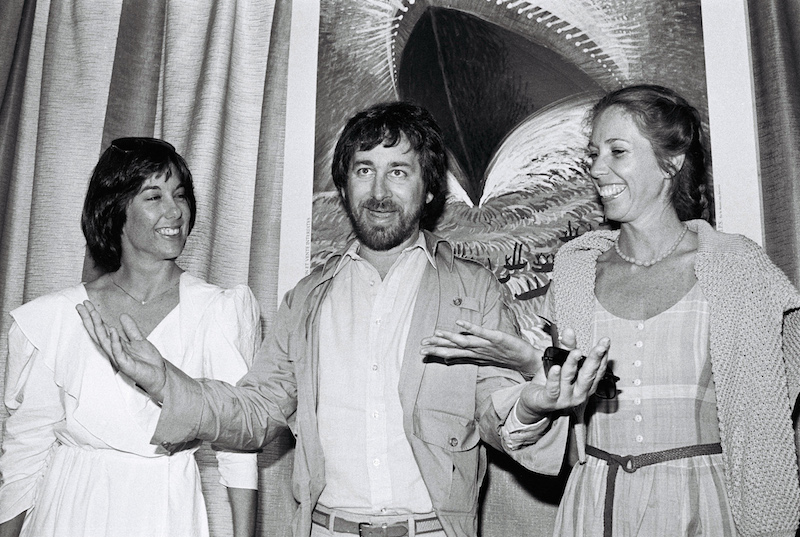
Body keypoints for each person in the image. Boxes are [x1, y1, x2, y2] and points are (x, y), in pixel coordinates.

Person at [76, 102, 609, 537]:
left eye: (398, 172)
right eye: (363, 171)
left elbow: (498, 409)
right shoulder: (306, 300)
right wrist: (164, 381)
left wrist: (534, 403)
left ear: (427, 190)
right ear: (345, 187)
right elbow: (256, 412)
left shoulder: (474, 289)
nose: (379, 191)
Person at [420, 85, 800, 536]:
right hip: (594, 506)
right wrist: (526, 362)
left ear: (671, 162)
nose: (597, 168)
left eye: (617, 152)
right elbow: (573, 397)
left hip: (702, 508)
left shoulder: (737, 267)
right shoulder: (577, 268)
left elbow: (767, 420)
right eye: (594, 153)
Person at [0, 138, 260, 537]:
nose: (175, 211)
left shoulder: (218, 311)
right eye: (153, 196)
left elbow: (237, 447)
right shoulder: (56, 318)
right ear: (115, 209)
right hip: (69, 511)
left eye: (181, 195)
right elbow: (25, 452)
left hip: (166, 512)